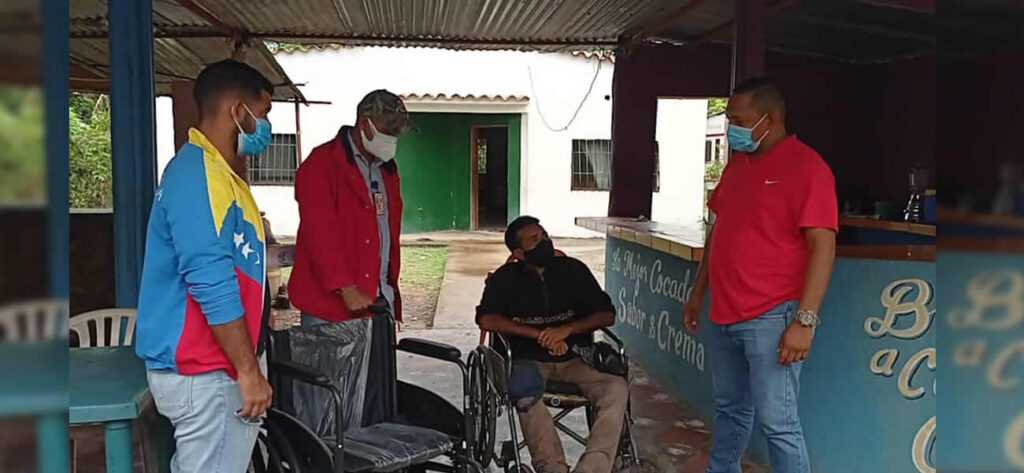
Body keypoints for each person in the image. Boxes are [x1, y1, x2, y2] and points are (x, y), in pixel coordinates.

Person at [683, 77, 837, 473]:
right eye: (729, 119)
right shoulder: (738, 165)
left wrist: (805, 321)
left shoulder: (808, 168)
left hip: (772, 314)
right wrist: (698, 291)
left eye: (738, 120)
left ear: (770, 118)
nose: (731, 128)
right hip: (724, 311)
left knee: (777, 422)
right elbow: (719, 230)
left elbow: (823, 246)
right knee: (729, 408)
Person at [135, 59, 275, 473]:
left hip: (211, 367)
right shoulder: (201, 178)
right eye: (263, 113)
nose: (265, 127)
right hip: (209, 370)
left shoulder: (210, 172)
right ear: (237, 110)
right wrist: (247, 371)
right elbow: (210, 279)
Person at [477, 216, 628, 473]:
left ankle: (593, 468)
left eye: (544, 235)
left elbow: (606, 315)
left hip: (575, 358)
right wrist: (541, 335)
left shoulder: (573, 270)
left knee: (616, 388)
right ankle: (551, 467)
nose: (545, 241)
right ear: (519, 252)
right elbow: (486, 319)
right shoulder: (505, 278)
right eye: (535, 239)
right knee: (523, 388)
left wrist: (567, 330)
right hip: (527, 360)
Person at [288, 89, 415, 325]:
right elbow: (318, 232)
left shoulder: (387, 169)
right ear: (364, 124)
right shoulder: (321, 164)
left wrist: (387, 292)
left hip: (378, 301)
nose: (393, 139)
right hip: (329, 309)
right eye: (388, 132)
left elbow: (386, 231)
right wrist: (345, 287)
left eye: (397, 133)